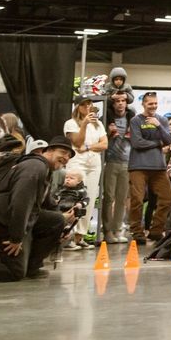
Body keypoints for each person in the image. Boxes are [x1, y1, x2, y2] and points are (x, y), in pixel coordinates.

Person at [0, 136, 76, 282]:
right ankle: (24, 267)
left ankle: (32, 266)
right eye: (62, 152)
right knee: (15, 272)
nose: (66, 158)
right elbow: (20, 203)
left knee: (56, 220)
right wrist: (16, 238)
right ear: (47, 151)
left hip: (10, 218)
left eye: (69, 156)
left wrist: (64, 226)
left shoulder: (44, 170)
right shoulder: (35, 167)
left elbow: (49, 203)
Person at [127, 91, 171, 244]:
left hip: (158, 167)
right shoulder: (135, 121)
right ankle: (137, 232)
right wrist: (157, 144)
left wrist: (159, 126)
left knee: (167, 198)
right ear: (143, 104)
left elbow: (168, 140)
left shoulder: (162, 120)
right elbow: (137, 143)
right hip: (138, 166)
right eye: (150, 103)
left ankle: (156, 231)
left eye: (155, 103)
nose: (153, 106)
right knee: (137, 200)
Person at [63, 96, 107, 244]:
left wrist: (88, 147)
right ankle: (69, 234)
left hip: (94, 162)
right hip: (77, 162)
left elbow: (104, 144)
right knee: (75, 197)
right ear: (78, 107)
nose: (88, 107)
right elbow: (77, 142)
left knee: (90, 197)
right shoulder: (70, 123)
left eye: (90, 104)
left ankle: (80, 235)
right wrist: (84, 124)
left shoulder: (98, 124)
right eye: (84, 105)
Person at [102, 88, 134, 243]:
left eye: (123, 100)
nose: (120, 104)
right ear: (112, 103)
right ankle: (107, 231)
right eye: (117, 101)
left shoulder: (132, 118)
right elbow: (100, 140)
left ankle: (117, 230)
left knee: (122, 199)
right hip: (110, 161)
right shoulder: (107, 118)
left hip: (127, 162)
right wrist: (109, 133)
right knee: (108, 198)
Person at [56, 166, 90, 250]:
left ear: (79, 181)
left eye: (71, 178)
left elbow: (86, 199)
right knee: (59, 226)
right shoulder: (61, 189)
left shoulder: (82, 191)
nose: (68, 179)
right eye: (66, 177)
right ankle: (59, 242)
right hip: (60, 210)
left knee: (70, 228)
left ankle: (69, 242)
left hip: (73, 212)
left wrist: (80, 204)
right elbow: (55, 196)